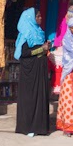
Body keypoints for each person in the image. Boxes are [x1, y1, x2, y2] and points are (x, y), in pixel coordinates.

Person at [14, 7, 50, 136]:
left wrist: (46, 48)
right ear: (31, 19)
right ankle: (29, 127)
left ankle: (40, 127)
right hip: (30, 71)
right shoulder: (26, 33)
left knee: (41, 96)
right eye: (37, 16)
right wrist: (41, 49)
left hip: (40, 68)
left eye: (40, 16)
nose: (40, 18)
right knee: (31, 97)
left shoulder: (39, 32)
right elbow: (24, 53)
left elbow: (41, 48)